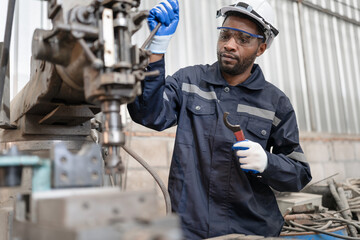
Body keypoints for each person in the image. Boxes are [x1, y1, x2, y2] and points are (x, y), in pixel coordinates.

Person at [128, 0, 312, 239]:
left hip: (250, 230)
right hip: (189, 228)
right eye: (225, 35)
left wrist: (267, 163)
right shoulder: (189, 81)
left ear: (261, 48)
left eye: (243, 39)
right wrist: (157, 48)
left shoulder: (276, 103)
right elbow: (149, 114)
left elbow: (299, 174)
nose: (230, 45)